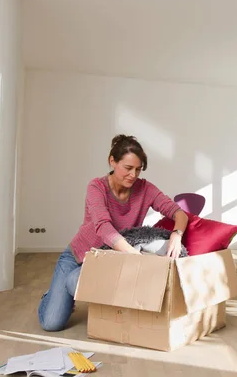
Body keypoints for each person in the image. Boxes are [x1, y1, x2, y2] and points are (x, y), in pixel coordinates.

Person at [38, 134, 188, 332]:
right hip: (78, 256)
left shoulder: (145, 189)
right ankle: (52, 295)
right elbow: (103, 227)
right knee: (51, 323)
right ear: (112, 161)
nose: (133, 175)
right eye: (127, 168)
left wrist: (176, 234)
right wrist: (135, 256)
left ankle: (68, 287)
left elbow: (179, 213)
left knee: (74, 282)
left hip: (109, 256)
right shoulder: (96, 187)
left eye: (138, 169)